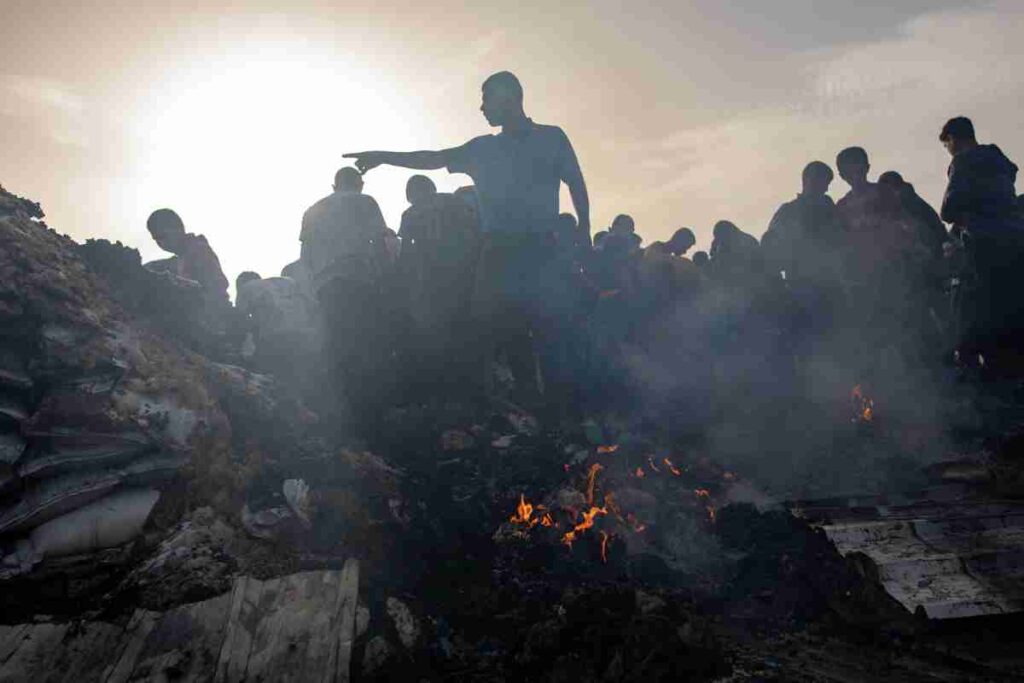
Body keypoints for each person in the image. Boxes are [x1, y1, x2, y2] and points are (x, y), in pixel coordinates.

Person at [344, 71, 591, 408]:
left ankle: (564, 402)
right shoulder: (482, 149)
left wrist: (584, 230)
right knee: (497, 321)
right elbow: (432, 158)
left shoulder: (551, 138)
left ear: (508, 97)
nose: (481, 107)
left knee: (549, 323)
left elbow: (575, 182)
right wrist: (384, 156)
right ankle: (525, 398)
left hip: (542, 247)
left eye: (486, 98)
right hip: (499, 250)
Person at [300, 167, 394, 422]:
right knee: (367, 343)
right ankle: (375, 411)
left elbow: (305, 256)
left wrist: (313, 289)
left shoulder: (312, 210)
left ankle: (349, 416)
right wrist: (388, 277)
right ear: (359, 184)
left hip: (325, 287)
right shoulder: (364, 201)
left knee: (339, 348)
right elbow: (381, 241)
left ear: (334, 186)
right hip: (358, 279)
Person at [938, 116, 1024, 360]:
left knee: (983, 312)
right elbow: (1012, 173)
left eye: (947, 145)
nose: (949, 151)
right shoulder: (996, 157)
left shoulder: (962, 161)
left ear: (953, 139)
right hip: (1017, 239)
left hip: (985, 245)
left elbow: (948, 211)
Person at [396, 174, 480, 398]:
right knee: (465, 331)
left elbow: (405, 254)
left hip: (431, 282)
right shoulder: (454, 202)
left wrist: (401, 283)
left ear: (411, 194)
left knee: (439, 336)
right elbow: (475, 231)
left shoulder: (411, 213)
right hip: (464, 274)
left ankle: (446, 392)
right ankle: (473, 389)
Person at [235, 271, 322, 386]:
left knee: (276, 380)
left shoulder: (246, 288)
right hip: (307, 335)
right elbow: (312, 305)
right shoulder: (287, 281)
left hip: (276, 339)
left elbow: (239, 320)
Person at [144, 208, 229, 306]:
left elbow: (218, 286)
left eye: (163, 236)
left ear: (178, 228)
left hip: (216, 313)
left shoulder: (199, 250)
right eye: (156, 239)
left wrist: (178, 283)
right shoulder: (182, 257)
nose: (161, 243)